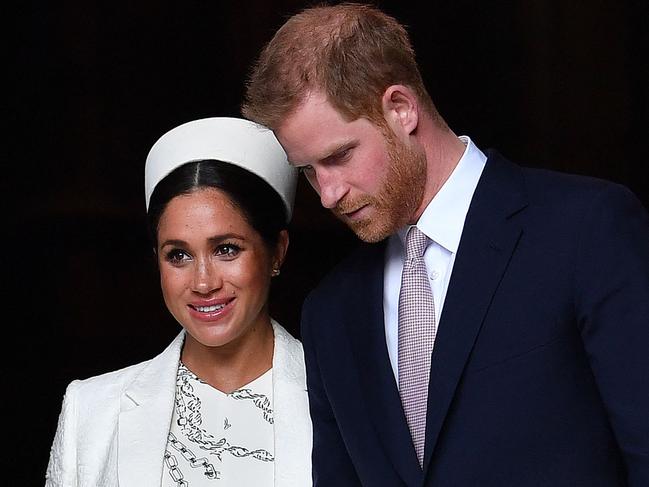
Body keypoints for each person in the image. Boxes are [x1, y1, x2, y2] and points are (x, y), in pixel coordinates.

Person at [241, 3, 649, 486]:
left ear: (401, 108)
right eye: (309, 172)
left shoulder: (585, 230)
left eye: (339, 156)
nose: (328, 194)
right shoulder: (331, 313)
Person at [45, 117, 312, 486]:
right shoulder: (91, 410)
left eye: (226, 249)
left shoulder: (342, 402)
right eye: (178, 255)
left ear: (276, 252)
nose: (203, 282)